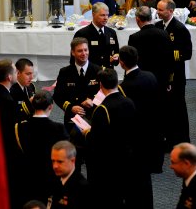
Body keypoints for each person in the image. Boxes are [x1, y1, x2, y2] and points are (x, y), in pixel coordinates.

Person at [83, 68, 143, 208]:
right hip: (128, 157)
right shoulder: (129, 102)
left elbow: (96, 140)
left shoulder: (102, 109)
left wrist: (86, 132)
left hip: (110, 162)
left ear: (100, 85)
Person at [118, 46, 162, 208]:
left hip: (136, 138)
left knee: (135, 181)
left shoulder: (124, 87)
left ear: (121, 63)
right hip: (153, 132)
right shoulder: (150, 76)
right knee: (146, 179)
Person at [53, 37, 101, 168]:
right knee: (74, 154)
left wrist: (93, 101)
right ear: (73, 52)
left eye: (86, 50)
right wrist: (71, 107)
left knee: (92, 154)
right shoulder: (65, 72)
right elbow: (58, 96)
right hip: (72, 118)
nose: (84, 53)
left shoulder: (97, 70)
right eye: (80, 51)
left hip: (92, 117)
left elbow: (104, 93)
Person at [15, 90, 69, 204]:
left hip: (27, 180)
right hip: (51, 180)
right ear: (51, 106)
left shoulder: (19, 128)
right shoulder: (59, 129)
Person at [155, 0, 192, 147]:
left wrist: (168, 55)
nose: (157, 12)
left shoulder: (179, 29)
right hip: (161, 75)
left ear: (170, 11)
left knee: (178, 108)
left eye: (160, 10)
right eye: (157, 9)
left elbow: (187, 53)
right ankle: (168, 138)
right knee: (164, 108)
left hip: (175, 75)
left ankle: (182, 139)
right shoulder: (158, 26)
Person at [0, 59, 23, 209]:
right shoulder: (7, 100)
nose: (17, 73)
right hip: (7, 150)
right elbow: (13, 130)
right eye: (15, 71)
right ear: (9, 77)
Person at [128, 6, 174, 92]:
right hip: (161, 78)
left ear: (137, 19)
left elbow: (132, 62)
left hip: (142, 80)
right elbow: (169, 59)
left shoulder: (134, 37)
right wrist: (168, 81)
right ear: (150, 17)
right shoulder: (164, 34)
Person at [73, 2, 119, 69]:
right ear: (93, 15)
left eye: (107, 15)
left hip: (108, 73)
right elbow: (75, 59)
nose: (106, 18)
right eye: (102, 15)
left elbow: (116, 53)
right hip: (90, 73)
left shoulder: (111, 32)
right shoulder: (82, 34)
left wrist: (115, 58)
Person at [50, 141, 91, 209]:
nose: (55, 166)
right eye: (53, 161)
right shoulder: (54, 179)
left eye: (60, 162)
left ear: (73, 161)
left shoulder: (82, 188)